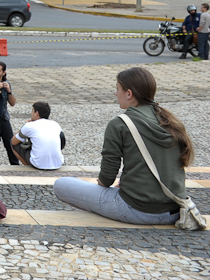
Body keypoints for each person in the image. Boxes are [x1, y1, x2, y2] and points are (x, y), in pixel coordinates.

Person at [54, 68, 193, 225]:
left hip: (138, 210)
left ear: (129, 94)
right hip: (175, 210)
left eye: (117, 89)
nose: (115, 94)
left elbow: (106, 178)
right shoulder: (170, 121)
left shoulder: (120, 124)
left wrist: (104, 185)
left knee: (62, 184)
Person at [11, 101, 64, 170]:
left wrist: (24, 126)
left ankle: (28, 167)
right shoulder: (56, 124)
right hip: (58, 163)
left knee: (13, 144)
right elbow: (62, 142)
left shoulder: (29, 126)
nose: (31, 113)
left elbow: (14, 141)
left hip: (38, 164)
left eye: (32, 111)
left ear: (36, 113)